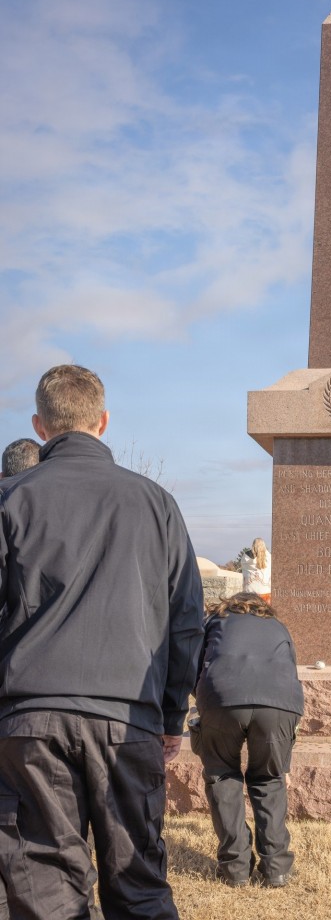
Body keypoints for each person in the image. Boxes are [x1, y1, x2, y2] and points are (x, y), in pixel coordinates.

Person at [0, 364, 204, 919]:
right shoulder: (156, 504)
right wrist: (171, 714)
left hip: (30, 718)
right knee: (138, 887)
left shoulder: (11, 499)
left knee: (43, 893)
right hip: (127, 719)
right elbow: (185, 619)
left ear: (40, 426)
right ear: (103, 421)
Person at [192, 591, 303, 888]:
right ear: (263, 608)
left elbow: (194, 667)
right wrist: (284, 763)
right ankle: (276, 869)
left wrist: (203, 701)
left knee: (221, 775)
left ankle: (235, 869)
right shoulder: (278, 626)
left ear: (228, 604)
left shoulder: (214, 621)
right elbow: (290, 672)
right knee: (269, 779)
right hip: (280, 704)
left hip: (222, 698)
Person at [241, 536, 272, 602]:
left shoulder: (246, 557)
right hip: (265, 593)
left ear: (253, 545)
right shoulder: (268, 557)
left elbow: (243, 566)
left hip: (249, 593)